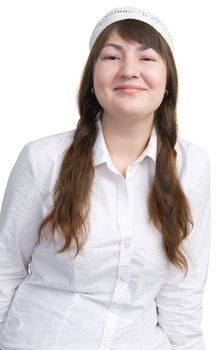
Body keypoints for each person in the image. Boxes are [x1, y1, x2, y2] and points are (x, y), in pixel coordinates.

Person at [0, 6, 211, 350]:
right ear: (91, 80)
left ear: (168, 81)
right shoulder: (43, 158)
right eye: (112, 57)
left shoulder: (192, 166)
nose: (129, 70)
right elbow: (4, 268)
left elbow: (182, 292)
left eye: (147, 59)